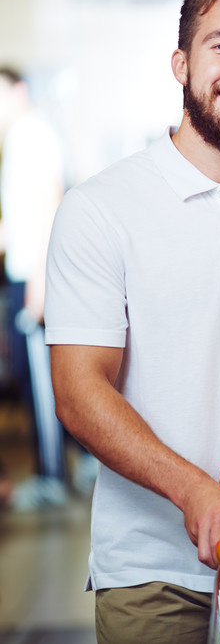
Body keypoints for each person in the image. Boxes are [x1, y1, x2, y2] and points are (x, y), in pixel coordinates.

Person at [44, 0, 220, 642]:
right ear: (181, 62)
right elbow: (81, 391)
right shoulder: (100, 208)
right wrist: (192, 488)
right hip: (153, 568)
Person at [0, 66, 69, 507]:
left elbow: (51, 206)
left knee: (42, 381)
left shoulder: (32, 134)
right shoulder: (20, 136)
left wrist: (42, 282)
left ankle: (53, 477)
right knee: (30, 379)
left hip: (35, 277)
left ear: (19, 90)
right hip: (23, 272)